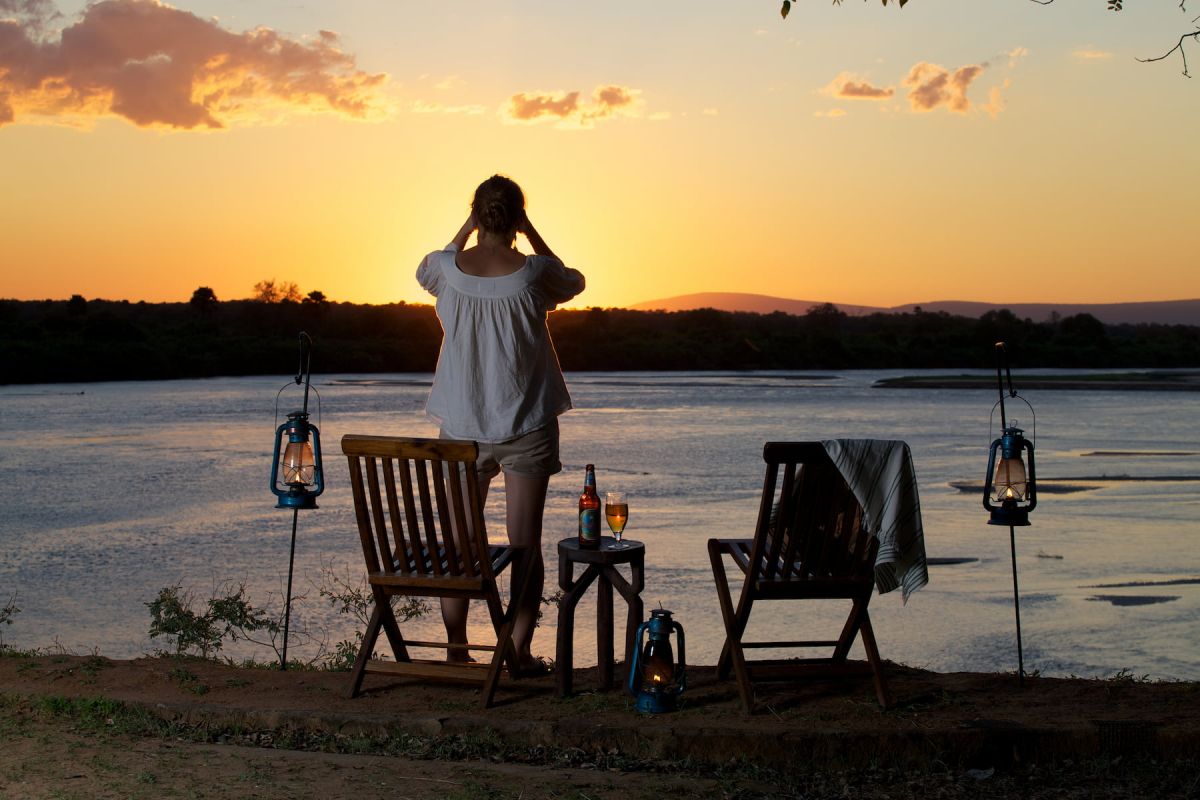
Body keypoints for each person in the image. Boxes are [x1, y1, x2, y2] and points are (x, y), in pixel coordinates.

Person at [416, 174, 585, 674]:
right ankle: (517, 652)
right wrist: (531, 233)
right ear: (516, 217)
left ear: (475, 214)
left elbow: (428, 268)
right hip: (526, 424)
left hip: (462, 429)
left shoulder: (445, 268)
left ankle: (456, 649)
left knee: (459, 545)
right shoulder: (534, 274)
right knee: (525, 546)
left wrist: (465, 229)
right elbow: (571, 281)